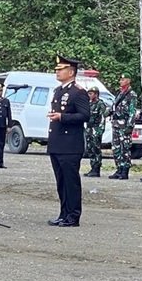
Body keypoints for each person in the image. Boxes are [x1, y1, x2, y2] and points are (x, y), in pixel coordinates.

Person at [47, 56, 90, 227]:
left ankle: (73, 216)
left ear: (71, 72)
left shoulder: (78, 92)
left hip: (70, 144)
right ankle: (63, 213)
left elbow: (85, 115)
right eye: (56, 69)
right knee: (61, 181)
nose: (57, 71)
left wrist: (62, 116)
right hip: (58, 143)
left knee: (71, 182)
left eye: (61, 69)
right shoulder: (58, 91)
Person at [108, 76, 137, 180]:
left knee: (125, 147)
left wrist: (130, 125)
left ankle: (125, 170)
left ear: (129, 81)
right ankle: (119, 168)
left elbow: (132, 111)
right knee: (116, 148)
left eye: (123, 80)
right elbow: (114, 107)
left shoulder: (131, 94)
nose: (121, 81)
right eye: (120, 79)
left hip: (124, 124)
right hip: (116, 123)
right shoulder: (120, 93)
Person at [84, 87, 107, 178]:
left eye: (91, 93)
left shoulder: (100, 104)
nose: (89, 95)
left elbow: (102, 118)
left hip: (96, 128)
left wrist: (100, 131)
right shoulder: (89, 104)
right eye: (89, 93)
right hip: (89, 128)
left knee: (96, 149)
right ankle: (92, 167)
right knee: (90, 148)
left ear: (96, 94)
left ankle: (96, 169)